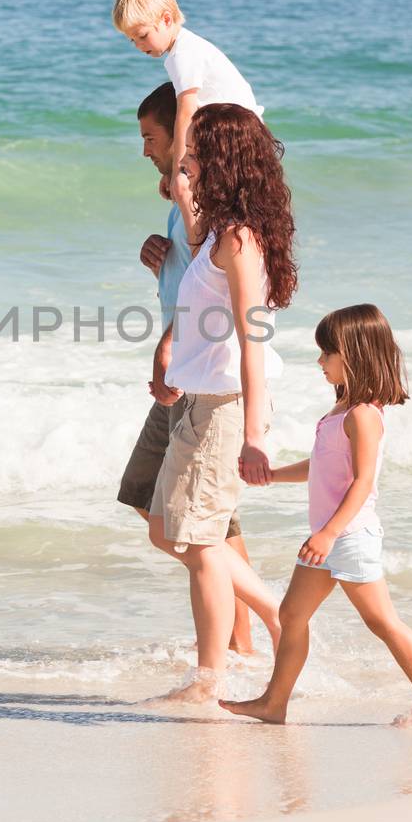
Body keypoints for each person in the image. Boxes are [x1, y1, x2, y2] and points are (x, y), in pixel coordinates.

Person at [219, 304, 412, 727]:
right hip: (329, 537)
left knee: (381, 621)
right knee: (292, 615)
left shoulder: (363, 416)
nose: (319, 361)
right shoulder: (341, 410)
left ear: (355, 354)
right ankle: (275, 704)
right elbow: (320, 466)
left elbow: (362, 482)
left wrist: (328, 533)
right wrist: (271, 475)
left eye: (327, 353)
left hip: (349, 536)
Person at [148, 103, 293, 702]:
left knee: (201, 542)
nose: (187, 162)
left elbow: (254, 338)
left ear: (225, 161)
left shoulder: (239, 241)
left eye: (196, 154)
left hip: (227, 406)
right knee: (166, 529)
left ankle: (209, 680)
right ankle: (275, 615)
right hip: (200, 400)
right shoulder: (213, 231)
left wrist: (255, 430)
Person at [118, 82, 262, 654]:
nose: (148, 152)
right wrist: (161, 253)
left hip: (200, 378)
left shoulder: (216, 219)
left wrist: (170, 344)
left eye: (152, 139)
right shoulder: (188, 219)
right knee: (165, 508)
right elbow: (196, 281)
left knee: (203, 524)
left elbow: (229, 314)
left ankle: (242, 644)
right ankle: (246, 637)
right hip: (185, 373)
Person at [112, 0, 262, 176]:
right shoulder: (182, 49)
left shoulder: (183, 54)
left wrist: (177, 172)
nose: (138, 46)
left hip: (241, 138)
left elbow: (186, 112)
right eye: (132, 40)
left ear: (166, 19)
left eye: (142, 36)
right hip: (238, 135)